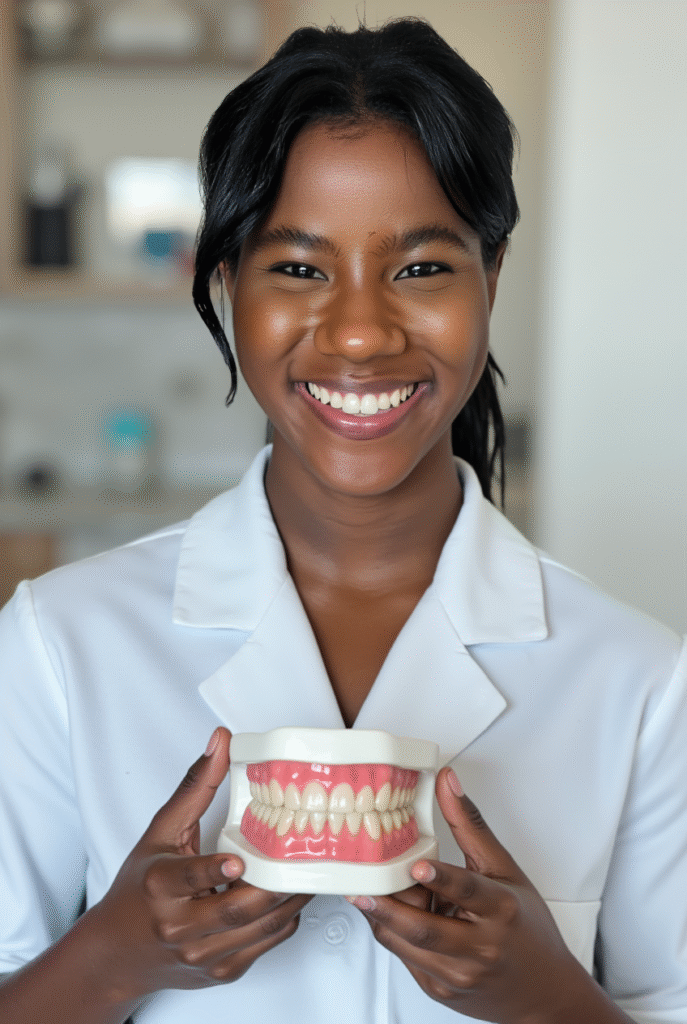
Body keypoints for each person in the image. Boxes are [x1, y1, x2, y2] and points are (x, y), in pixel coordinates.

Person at [0, 18, 685, 1024]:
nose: (362, 332)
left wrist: (547, 998)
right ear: (227, 284)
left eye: (420, 269)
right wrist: (112, 958)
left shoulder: (639, 683)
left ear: (490, 280)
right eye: (299, 269)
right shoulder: (60, 646)